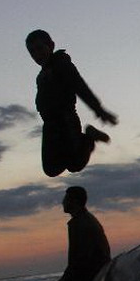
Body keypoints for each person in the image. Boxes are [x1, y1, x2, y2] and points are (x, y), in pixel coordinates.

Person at [26, 29, 119, 177]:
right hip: (50, 125)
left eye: (40, 48)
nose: (37, 54)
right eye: (32, 52)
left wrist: (98, 109)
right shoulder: (41, 75)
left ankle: (89, 138)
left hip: (65, 120)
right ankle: (85, 140)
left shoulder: (61, 63)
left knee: (75, 164)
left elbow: (79, 85)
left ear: (50, 45)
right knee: (51, 169)